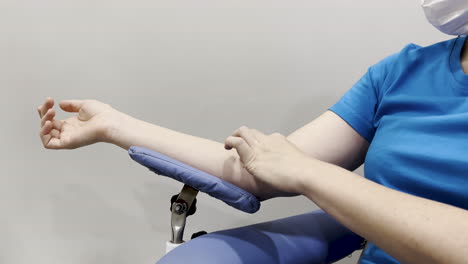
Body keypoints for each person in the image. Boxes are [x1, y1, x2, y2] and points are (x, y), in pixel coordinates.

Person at [37, 1, 468, 263]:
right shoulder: (403, 72)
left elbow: (299, 168)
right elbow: (262, 170)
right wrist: (114, 124)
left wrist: (311, 175)